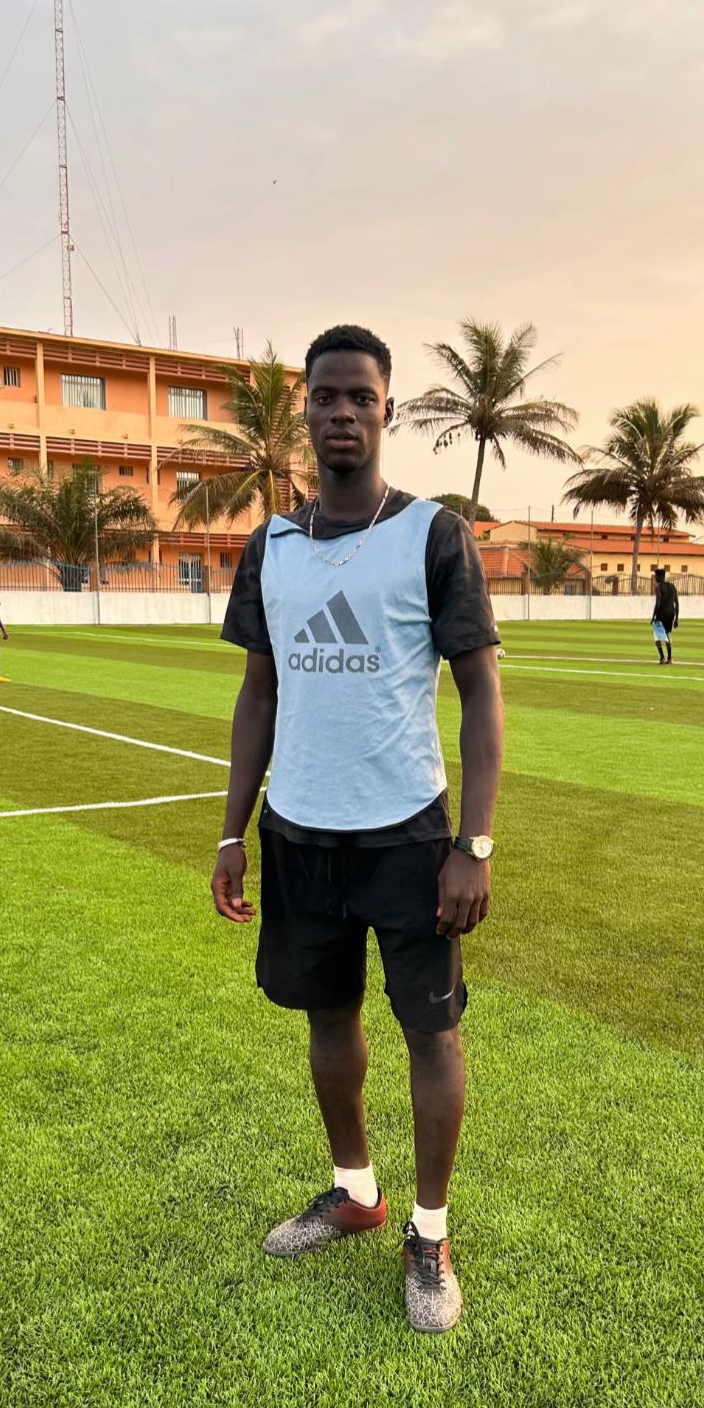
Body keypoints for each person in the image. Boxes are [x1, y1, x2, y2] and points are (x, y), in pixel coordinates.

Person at [215, 323, 504, 1334]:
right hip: (299, 835)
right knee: (327, 1018)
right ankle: (355, 1192)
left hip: (407, 838)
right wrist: (232, 832)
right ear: (304, 408)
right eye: (326, 396)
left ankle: (429, 1232)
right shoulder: (272, 546)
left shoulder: (432, 534)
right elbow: (258, 694)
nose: (342, 413)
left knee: (432, 1029)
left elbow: (482, 692)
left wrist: (473, 843)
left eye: (361, 398)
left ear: (388, 410)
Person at [651, 566, 679, 664]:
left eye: (656, 576)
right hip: (671, 614)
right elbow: (677, 603)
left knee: (656, 636)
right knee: (666, 634)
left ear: (660, 577)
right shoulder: (672, 586)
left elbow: (658, 603)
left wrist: (653, 616)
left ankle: (662, 657)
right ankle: (670, 658)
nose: (655, 578)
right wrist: (676, 618)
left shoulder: (658, 587)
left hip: (661, 614)